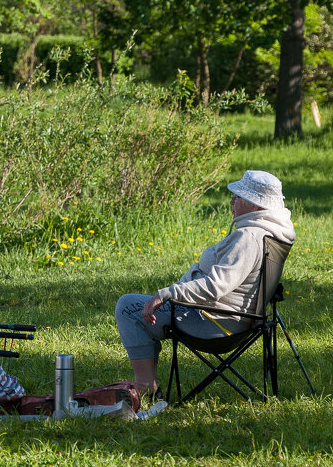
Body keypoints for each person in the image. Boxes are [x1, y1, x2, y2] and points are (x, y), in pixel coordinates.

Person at [115, 169, 296, 398]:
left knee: (128, 307)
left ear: (256, 206)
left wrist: (167, 294)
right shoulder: (271, 233)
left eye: (238, 198)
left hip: (216, 322)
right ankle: (147, 384)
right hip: (236, 319)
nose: (232, 201)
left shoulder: (248, 237)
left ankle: (146, 389)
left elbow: (215, 286)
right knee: (139, 306)